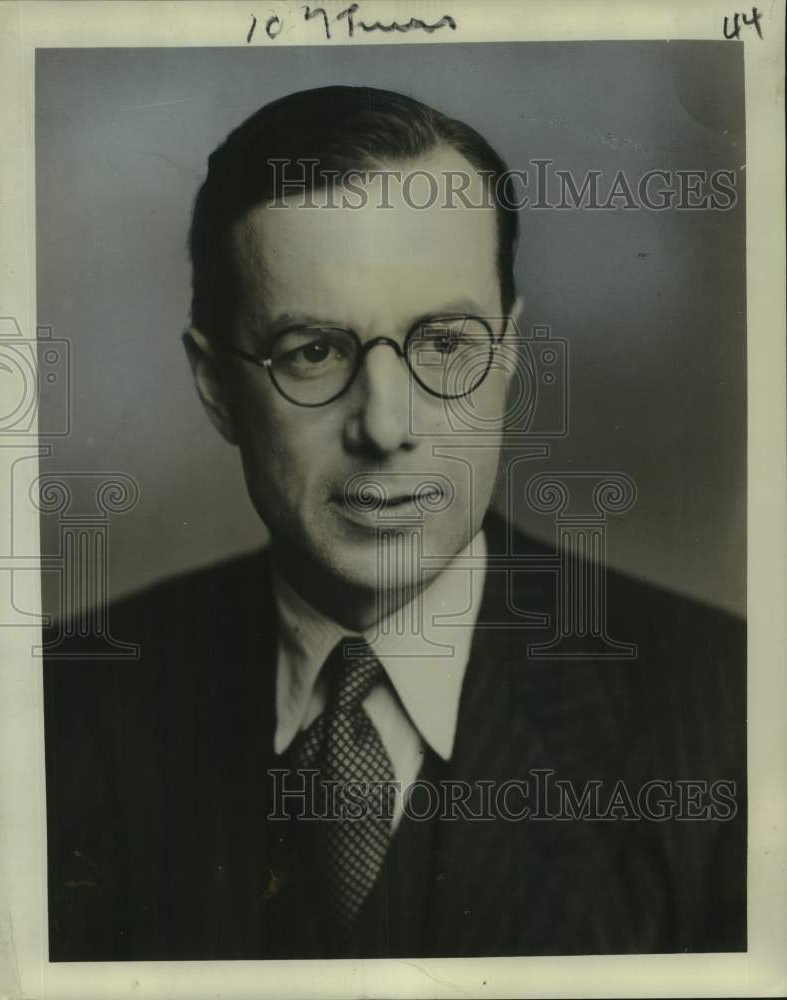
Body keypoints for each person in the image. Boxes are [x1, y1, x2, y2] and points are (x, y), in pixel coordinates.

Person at [44, 85, 745, 960]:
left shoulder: (731, 722)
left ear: (508, 355)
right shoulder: (49, 718)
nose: (384, 425)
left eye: (444, 343)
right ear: (217, 386)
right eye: (314, 351)